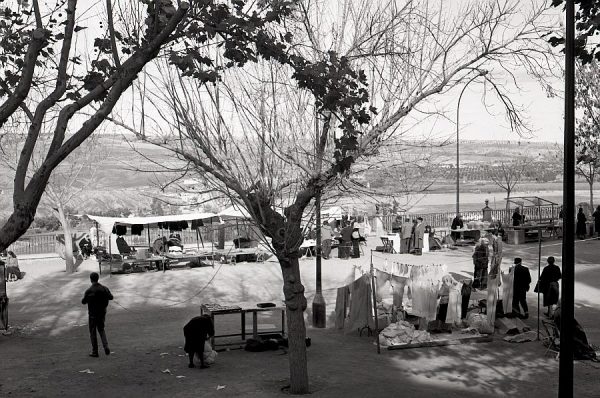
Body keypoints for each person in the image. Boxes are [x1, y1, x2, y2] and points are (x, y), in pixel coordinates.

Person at [82, 272, 113, 357]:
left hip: (92, 314)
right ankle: (105, 346)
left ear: (90, 279)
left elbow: (83, 301)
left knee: (93, 332)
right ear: (98, 278)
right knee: (101, 329)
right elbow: (111, 297)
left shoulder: (89, 290)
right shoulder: (104, 288)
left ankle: (95, 351)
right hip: (102, 312)